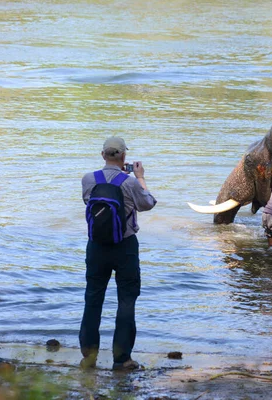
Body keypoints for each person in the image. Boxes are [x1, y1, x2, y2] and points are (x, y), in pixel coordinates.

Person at [79, 137, 157, 371]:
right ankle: (122, 359)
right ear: (124, 157)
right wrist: (140, 177)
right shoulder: (130, 182)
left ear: (103, 154)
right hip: (124, 246)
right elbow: (149, 203)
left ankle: (89, 355)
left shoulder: (88, 179)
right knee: (126, 300)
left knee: (93, 298)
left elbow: (87, 202)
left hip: (96, 246)